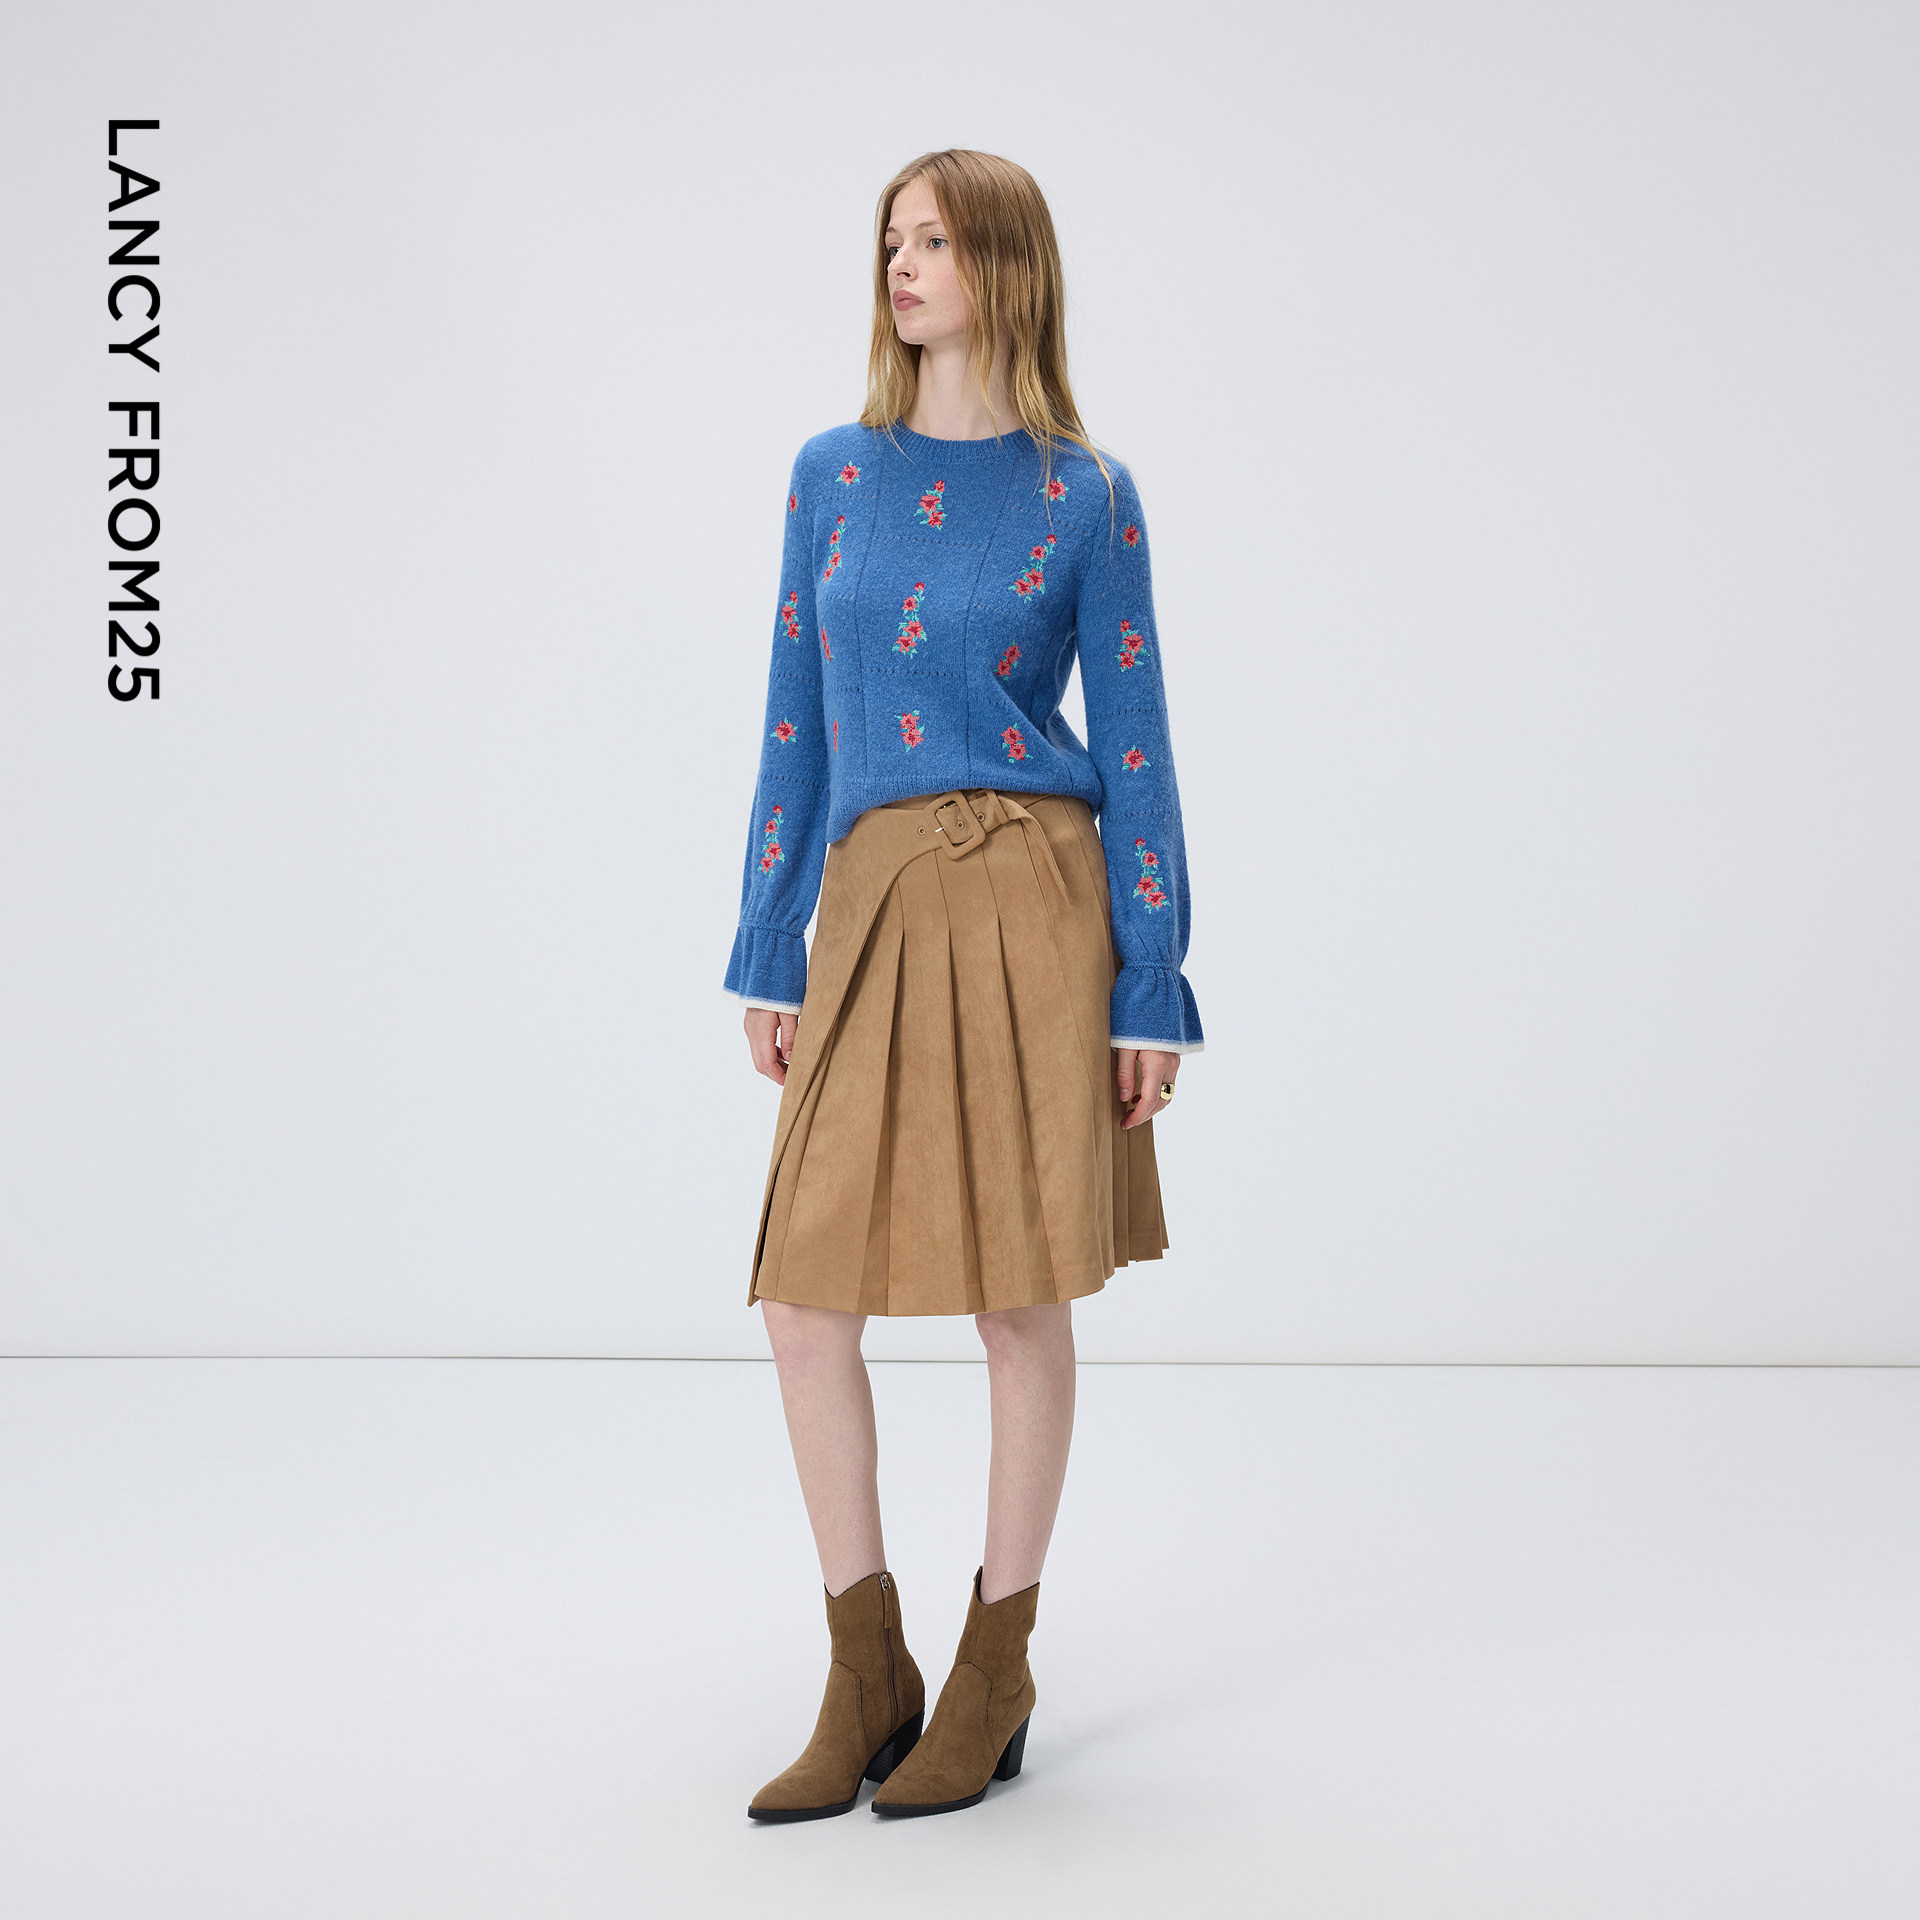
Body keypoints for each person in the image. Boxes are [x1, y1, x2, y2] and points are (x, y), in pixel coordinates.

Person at [722, 149, 1203, 1822]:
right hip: (869, 903)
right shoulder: (831, 473)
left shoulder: (1089, 495)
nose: (901, 264)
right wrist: (769, 938)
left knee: (1019, 1300)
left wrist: (1152, 981)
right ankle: (869, 1670)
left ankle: (995, 1668)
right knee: (803, 1297)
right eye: (890, 239)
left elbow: (1135, 743)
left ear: (1006, 264)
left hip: (1034, 907)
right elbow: (795, 715)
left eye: (932, 239)